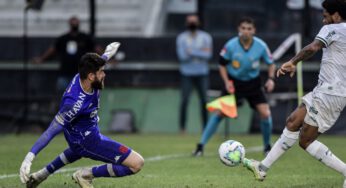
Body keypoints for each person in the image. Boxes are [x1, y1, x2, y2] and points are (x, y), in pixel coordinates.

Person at [243, 0, 346, 187]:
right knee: (293, 121)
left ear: (337, 15)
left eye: (325, 16)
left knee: (305, 141)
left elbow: (312, 48)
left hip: (330, 93)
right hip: (328, 91)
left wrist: (293, 61)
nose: (324, 21)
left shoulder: (334, 28)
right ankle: (262, 167)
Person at [19, 43, 144, 188]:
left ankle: (42, 174)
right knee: (136, 163)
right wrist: (29, 158)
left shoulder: (85, 75)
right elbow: (50, 132)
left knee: (75, 150)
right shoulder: (74, 103)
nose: (104, 74)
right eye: (101, 72)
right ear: (91, 76)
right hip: (88, 140)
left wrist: (107, 54)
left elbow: (97, 63)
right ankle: (86, 174)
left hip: (81, 134)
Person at [193, 17, 276, 156]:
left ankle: (267, 147)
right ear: (239, 29)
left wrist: (271, 79)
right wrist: (226, 82)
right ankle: (200, 146)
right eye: (243, 28)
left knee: (265, 113)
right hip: (234, 83)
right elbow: (221, 65)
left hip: (253, 84)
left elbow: (271, 63)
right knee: (219, 113)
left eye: (249, 29)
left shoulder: (261, 45)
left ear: (254, 30)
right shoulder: (231, 45)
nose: (246, 31)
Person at [34, 16, 102, 94]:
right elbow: (52, 50)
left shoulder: (85, 38)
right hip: (65, 73)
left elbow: (97, 48)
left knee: (80, 97)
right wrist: (41, 59)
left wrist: (106, 59)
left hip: (81, 74)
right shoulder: (64, 38)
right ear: (69, 24)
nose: (74, 24)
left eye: (76, 22)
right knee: (63, 96)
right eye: (73, 22)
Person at [176, 14, 213, 134]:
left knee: (204, 101)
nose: (192, 23)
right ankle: (182, 129)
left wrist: (191, 51)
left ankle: (205, 128)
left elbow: (208, 55)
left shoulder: (206, 37)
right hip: (186, 74)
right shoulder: (181, 38)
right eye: (190, 21)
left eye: (194, 21)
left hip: (202, 73)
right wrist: (200, 52)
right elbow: (182, 56)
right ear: (186, 23)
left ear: (198, 23)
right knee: (184, 100)